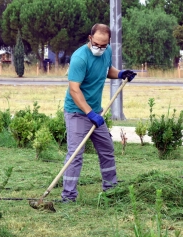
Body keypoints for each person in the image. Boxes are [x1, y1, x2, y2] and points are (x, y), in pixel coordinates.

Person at [61, 23, 137, 202]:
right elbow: (74, 90)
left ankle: (111, 190)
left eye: (104, 45)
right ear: (90, 38)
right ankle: (68, 196)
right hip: (77, 113)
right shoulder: (80, 58)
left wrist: (120, 74)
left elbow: (106, 70)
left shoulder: (107, 51)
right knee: (75, 154)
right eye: (97, 44)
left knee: (107, 150)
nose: (100, 48)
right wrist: (89, 113)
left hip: (96, 112)